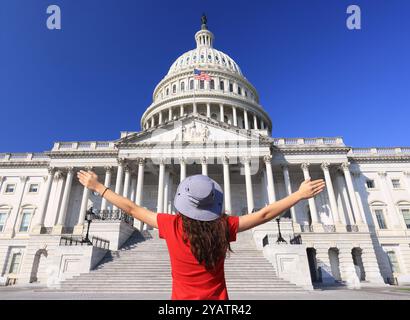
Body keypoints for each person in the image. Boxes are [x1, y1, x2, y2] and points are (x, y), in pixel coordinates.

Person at [77, 170, 325, 300]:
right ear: (214, 202)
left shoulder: (172, 226)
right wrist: (298, 195)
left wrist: (98, 187)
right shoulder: (224, 227)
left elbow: (132, 208)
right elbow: (263, 214)